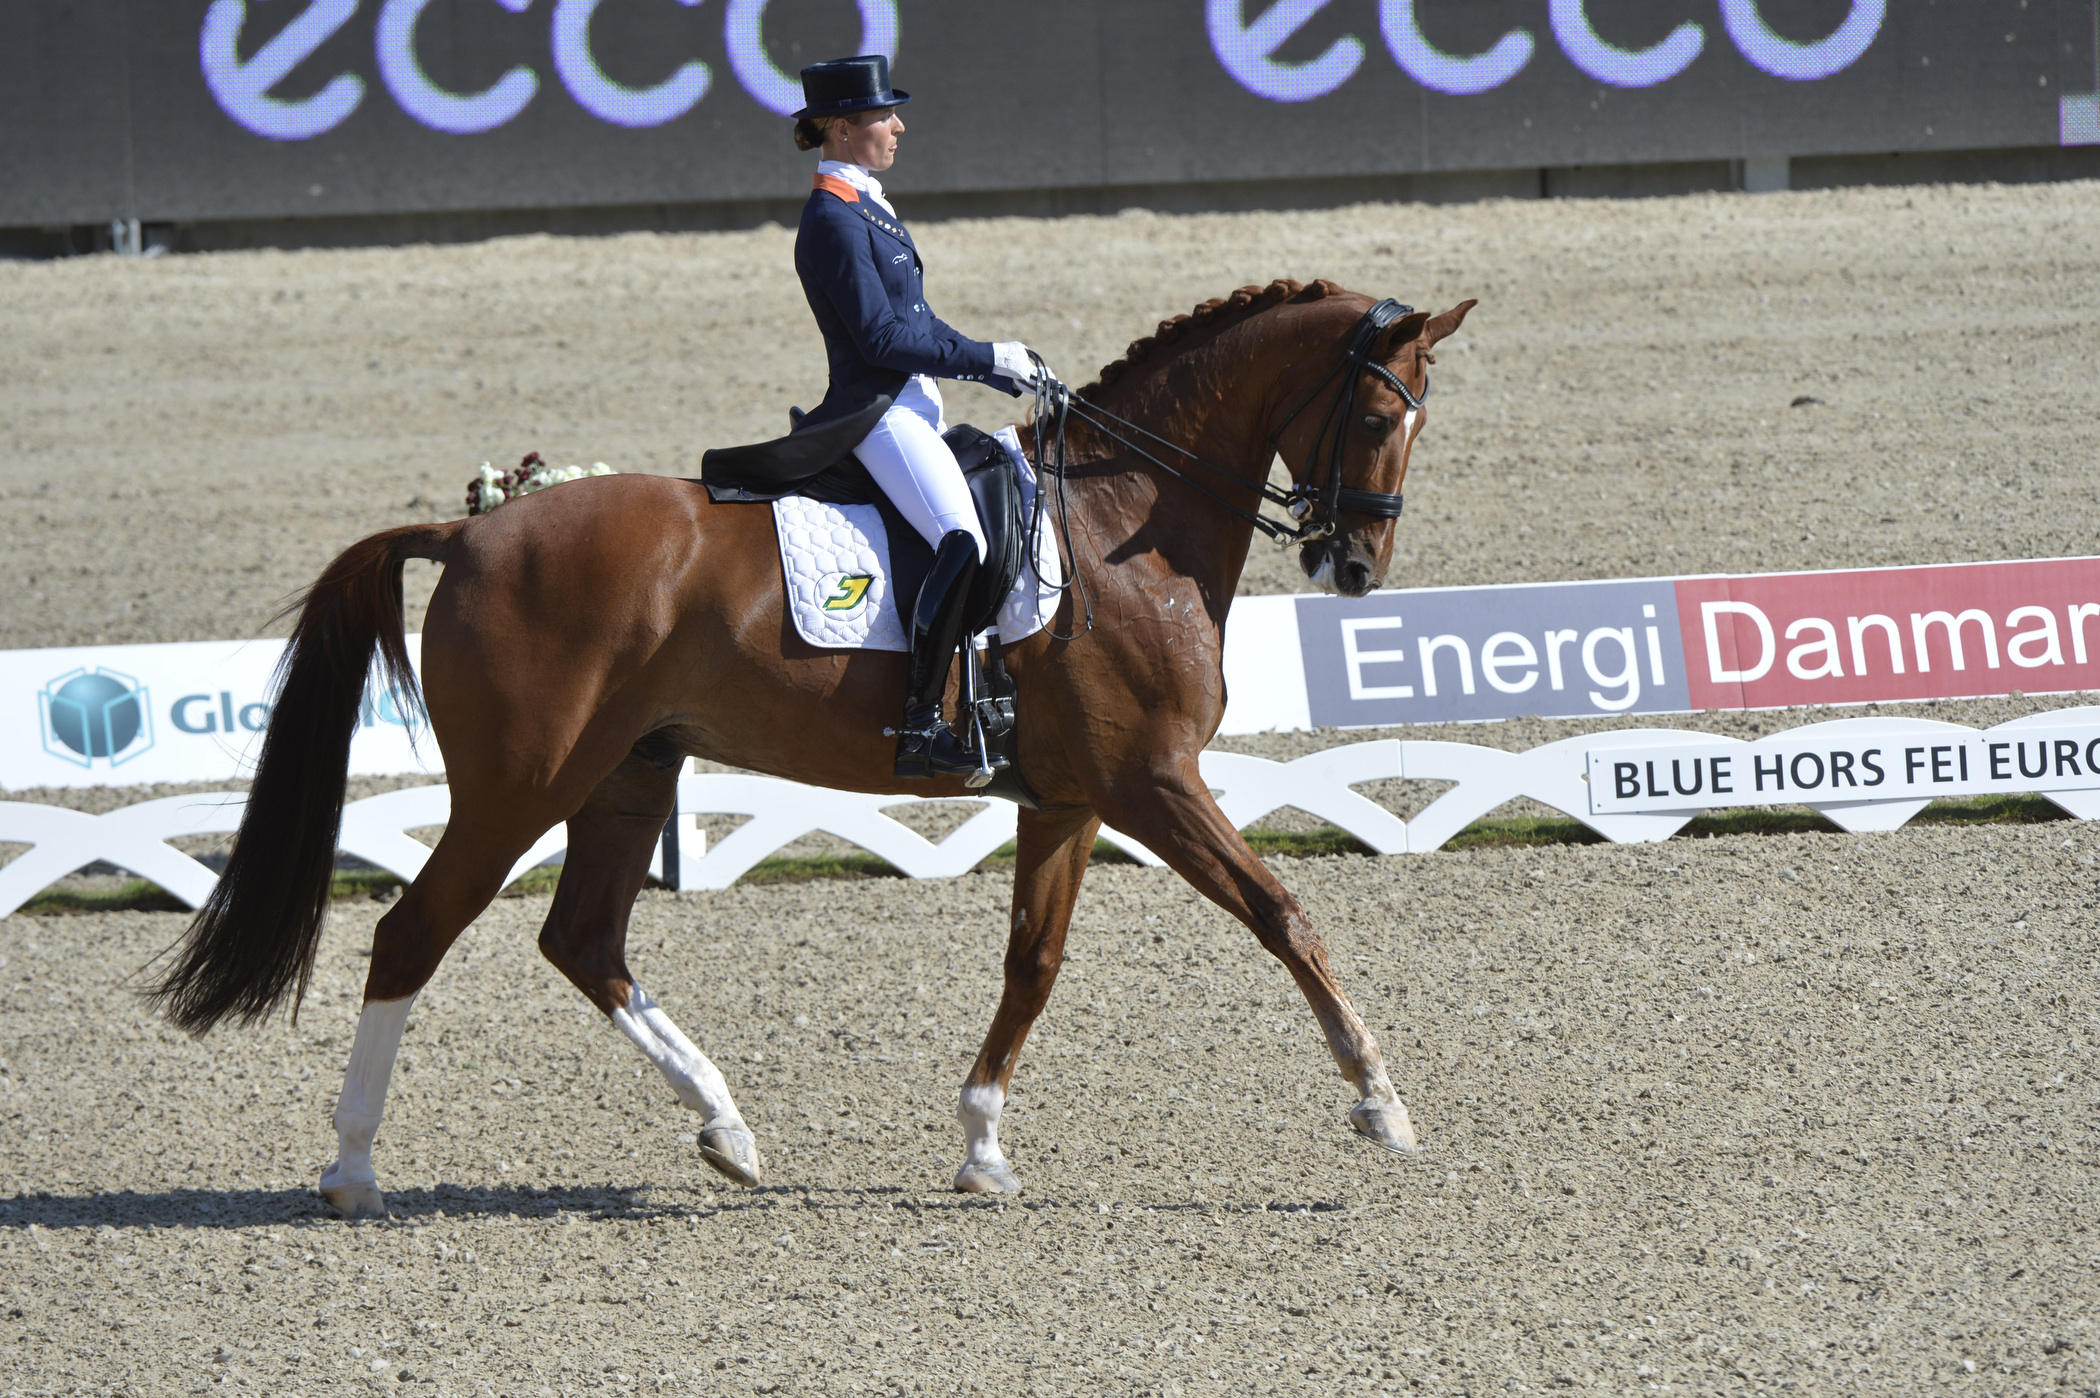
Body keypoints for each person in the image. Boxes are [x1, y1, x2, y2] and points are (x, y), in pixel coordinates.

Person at [791, 54, 1050, 780]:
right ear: (843, 128)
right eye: (883, 116)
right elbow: (881, 338)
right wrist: (986, 356)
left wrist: (994, 364)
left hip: (912, 404)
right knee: (960, 539)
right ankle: (920, 724)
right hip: (877, 414)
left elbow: (920, 321)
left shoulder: (866, 201)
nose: (898, 126)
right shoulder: (834, 221)